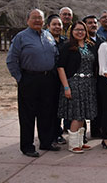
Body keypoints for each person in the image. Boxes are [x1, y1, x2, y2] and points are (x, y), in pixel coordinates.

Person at [6, 9, 61, 157]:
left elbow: (55, 56)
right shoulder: (21, 37)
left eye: (40, 18)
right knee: (27, 115)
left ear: (44, 22)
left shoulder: (48, 35)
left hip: (47, 79)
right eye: (34, 18)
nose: (38, 21)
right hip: (29, 79)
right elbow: (11, 60)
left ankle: (46, 142)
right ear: (28, 20)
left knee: (47, 112)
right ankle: (27, 146)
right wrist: (20, 78)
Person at [57, 21, 98, 153]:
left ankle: (80, 142)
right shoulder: (67, 46)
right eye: (77, 30)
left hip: (88, 83)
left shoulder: (90, 45)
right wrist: (66, 87)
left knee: (83, 115)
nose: (80, 32)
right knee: (76, 114)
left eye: (82, 30)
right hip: (74, 83)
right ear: (71, 31)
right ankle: (73, 144)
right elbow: (60, 67)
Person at [46, 14, 67, 145]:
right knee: (48, 108)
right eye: (54, 24)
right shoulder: (44, 40)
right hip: (48, 79)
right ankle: (48, 135)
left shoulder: (65, 42)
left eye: (59, 24)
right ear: (48, 26)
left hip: (62, 80)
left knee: (59, 109)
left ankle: (58, 133)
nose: (57, 27)